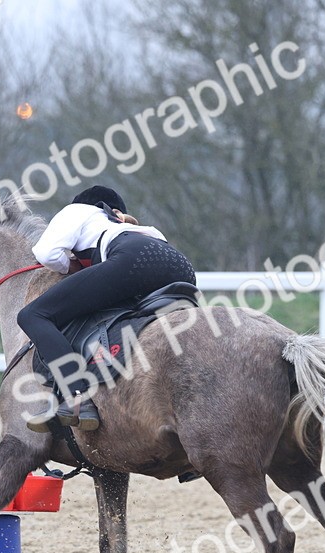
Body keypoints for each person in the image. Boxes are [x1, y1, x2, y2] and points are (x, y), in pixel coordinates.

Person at [18, 185, 196, 433]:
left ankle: (76, 397)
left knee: (33, 315)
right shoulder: (139, 227)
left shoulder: (77, 210)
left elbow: (47, 254)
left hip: (133, 260)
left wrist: (70, 267)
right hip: (182, 267)